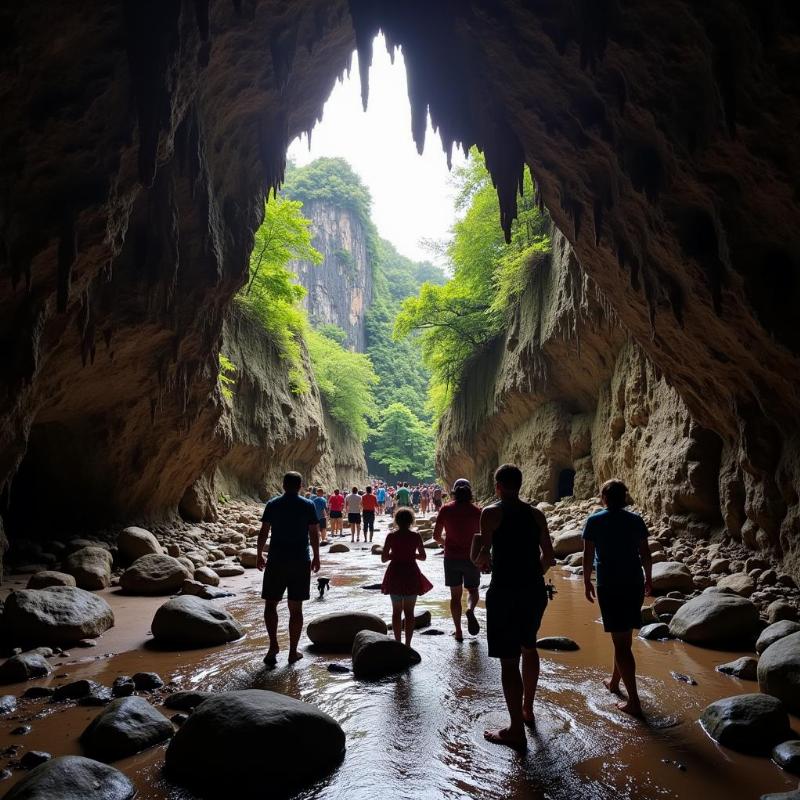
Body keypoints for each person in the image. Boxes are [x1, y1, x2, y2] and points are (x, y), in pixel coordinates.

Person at [474, 464, 555, 749]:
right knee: (529, 646)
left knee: (509, 661)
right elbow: (549, 556)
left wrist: (484, 561)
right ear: (520, 485)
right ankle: (528, 710)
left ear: (497, 485)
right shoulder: (536, 514)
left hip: (505, 591)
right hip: (534, 591)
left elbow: (483, 557)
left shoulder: (491, 513)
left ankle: (515, 730)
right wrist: (532, 574)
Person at [582, 478, 653, 717]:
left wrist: (585, 581)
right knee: (623, 639)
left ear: (603, 497)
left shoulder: (594, 521)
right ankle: (614, 683)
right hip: (633, 582)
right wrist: (649, 579)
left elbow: (587, 554)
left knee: (621, 642)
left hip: (610, 584)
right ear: (624, 498)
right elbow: (645, 553)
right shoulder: (635, 520)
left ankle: (634, 701)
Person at [257, 471, 321, 667]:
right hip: (300, 561)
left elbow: (264, 531)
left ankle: (273, 646)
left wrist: (259, 553)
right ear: (300, 485)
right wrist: (317, 556)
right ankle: (293, 652)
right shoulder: (308, 505)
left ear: (283, 485)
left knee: (270, 605)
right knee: (296, 608)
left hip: (276, 560)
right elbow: (313, 533)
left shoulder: (273, 504)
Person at [434, 478, 482, 641]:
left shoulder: (445, 509)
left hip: (451, 558)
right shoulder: (477, 511)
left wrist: (446, 543)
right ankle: (470, 609)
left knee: (455, 597)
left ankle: (458, 631)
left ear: (454, 492)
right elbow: (483, 537)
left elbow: (436, 536)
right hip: (471, 558)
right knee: (473, 590)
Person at [381, 508, 433, 646]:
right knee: (410, 613)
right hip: (411, 574)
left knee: (396, 612)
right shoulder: (416, 536)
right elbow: (423, 557)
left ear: (396, 521)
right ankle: (408, 644)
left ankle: (398, 642)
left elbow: (384, 558)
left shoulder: (391, 536)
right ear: (411, 521)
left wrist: (396, 554)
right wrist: (411, 554)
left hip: (395, 574)